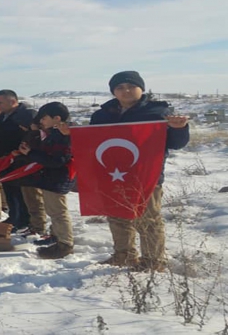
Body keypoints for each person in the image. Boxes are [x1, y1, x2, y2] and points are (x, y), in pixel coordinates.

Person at [91, 71, 189, 272]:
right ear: (113, 91)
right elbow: (92, 142)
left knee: (148, 219)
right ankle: (124, 255)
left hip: (146, 175)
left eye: (130, 86)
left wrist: (179, 129)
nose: (125, 90)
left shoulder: (158, 112)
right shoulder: (102, 114)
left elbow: (176, 143)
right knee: (117, 215)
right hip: (111, 174)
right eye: (119, 87)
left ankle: (153, 261)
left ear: (141, 88)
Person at [17, 102, 75, 259]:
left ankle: (65, 245)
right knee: (53, 210)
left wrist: (32, 154)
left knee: (58, 212)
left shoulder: (64, 135)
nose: (40, 121)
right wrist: (32, 152)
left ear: (56, 118)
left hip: (57, 178)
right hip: (51, 178)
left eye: (43, 118)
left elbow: (57, 160)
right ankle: (56, 236)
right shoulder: (55, 133)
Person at [0, 89, 37, 231]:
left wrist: (17, 152)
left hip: (20, 160)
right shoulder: (1, 117)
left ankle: (24, 219)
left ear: (12, 101)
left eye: (0, 102)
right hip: (3, 160)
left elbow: (32, 136)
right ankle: (14, 216)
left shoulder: (27, 115)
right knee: (9, 191)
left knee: (21, 192)